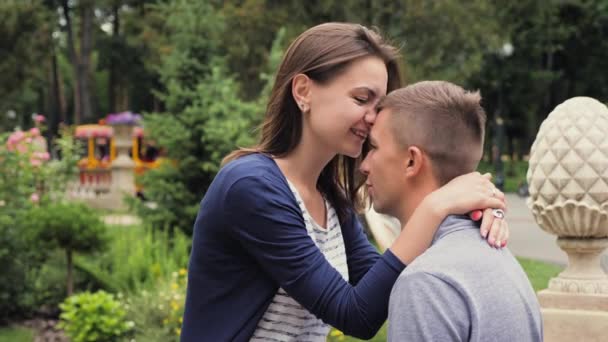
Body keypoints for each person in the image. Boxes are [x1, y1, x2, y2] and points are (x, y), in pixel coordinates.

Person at [181, 23, 509, 341]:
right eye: (361, 98)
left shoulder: (330, 196)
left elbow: (386, 286)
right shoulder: (251, 187)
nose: (373, 117)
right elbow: (355, 315)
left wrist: (467, 217)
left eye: (378, 105)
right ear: (303, 91)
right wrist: (437, 205)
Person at [359, 81, 542, 341]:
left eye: (373, 147)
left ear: (412, 161)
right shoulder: (503, 260)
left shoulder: (425, 282)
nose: (364, 165)